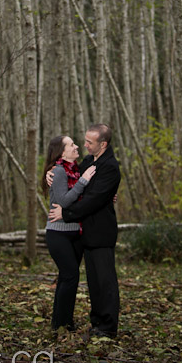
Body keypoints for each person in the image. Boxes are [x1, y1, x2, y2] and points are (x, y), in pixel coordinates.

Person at [48, 123, 121, 338]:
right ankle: (96, 321)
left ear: (103, 144)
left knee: (105, 281)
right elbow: (71, 180)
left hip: (101, 233)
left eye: (90, 142)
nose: (85, 145)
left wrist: (66, 214)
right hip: (86, 233)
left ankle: (107, 327)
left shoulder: (110, 167)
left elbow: (92, 200)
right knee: (94, 282)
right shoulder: (89, 161)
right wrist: (51, 173)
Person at [42, 134, 96, 332]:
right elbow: (64, 202)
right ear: (61, 152)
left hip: (76, 232)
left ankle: (61, 322)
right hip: (58, 233)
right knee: (70, 275)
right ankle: (62, 323)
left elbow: (86, 196)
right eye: (71, 144)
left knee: (67, 278)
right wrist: (83, 181)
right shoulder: (58, 171)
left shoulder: (75, 169)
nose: (76, 146)